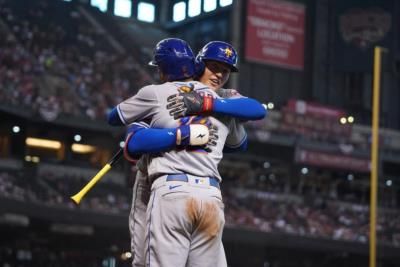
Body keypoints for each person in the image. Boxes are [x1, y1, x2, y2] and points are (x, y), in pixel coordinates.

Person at [109, 39, 266, 267]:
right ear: (198, 64)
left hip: (171, 189)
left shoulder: (217, 97)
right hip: (206, 196)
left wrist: (207, 104)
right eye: (215, 67)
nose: (220, 75)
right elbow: (240, 143)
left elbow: (124, 131)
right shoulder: (225, 101)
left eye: (225, 71)